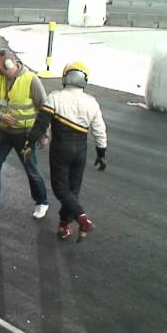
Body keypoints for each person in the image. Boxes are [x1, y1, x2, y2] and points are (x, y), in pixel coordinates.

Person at [21, 61, 107, 241]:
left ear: (65, 77)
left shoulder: (55, 97)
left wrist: (29, 143)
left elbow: (41, 123)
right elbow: (99, 130)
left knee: (60, 188)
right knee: (73, 189)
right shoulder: (92, 102)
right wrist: (101, 153)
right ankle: (64, 225)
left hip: (60, 148)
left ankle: (83, 219)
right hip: (80, 150)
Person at [0, 48, 50, 220]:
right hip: (4, 132)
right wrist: (1, 116)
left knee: (31, 169)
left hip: (25, 135)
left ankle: (42, 202)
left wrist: (44, 134)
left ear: (9, 64)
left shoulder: (31, 80)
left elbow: (44, 107)